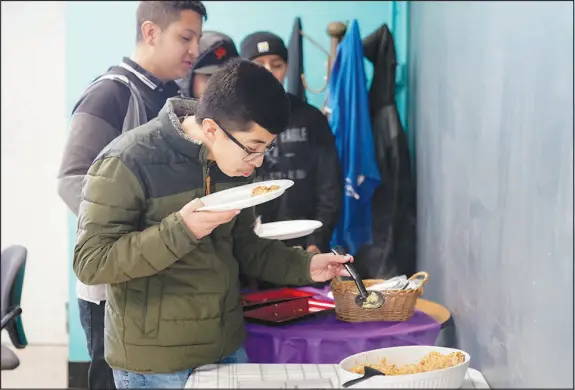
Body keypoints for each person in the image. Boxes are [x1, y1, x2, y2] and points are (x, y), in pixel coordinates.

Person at [73, 58, 353, 389]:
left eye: (265, 148)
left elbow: (246, 247)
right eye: (253, 148)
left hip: (226, 349)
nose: (259, 161)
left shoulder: (233, 165)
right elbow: (91, 263)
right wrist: (181, 230)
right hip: (156, 366)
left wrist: (308, 265)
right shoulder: (127, 161)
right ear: (211, 129)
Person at [56, 2, 207, 389]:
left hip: (161, 276)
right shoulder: (110, 95)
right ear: (151, 32)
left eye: (198, 39)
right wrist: (138, 238)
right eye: (185, 38)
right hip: (115, 285)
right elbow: (71, 178)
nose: (194, 51)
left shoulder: (174, 97)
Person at [239, 32, 342, 285]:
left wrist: (317, 242)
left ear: (286, 68)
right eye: (259, 65)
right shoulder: (234, 123)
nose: (269, 72)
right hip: (251, 251)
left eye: (277, 64)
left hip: (305, 247)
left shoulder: (310, 118)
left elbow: (329, 185)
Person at [180, 30, 239, 98]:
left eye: (227, 77)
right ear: (189, 77)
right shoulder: (171, 107)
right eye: (209, 75)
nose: (218, 84)